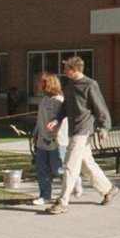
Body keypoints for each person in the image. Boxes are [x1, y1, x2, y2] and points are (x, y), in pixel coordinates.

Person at [44, 56, 117, 214]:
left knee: (70, 165)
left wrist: (104, 127)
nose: (64, 71)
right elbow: (65, 107)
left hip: (83, 131)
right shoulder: (70, 85)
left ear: (75, 69)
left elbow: (100, 107)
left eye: (66, 68)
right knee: (86, 164)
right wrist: (57, 119)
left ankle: (62, 201)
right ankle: (108, 189)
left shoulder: (90, 85)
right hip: (73, 130)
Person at [30, 73, 69, 206]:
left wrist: (52, 137)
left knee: (58, 169)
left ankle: (72, 184)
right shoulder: (43, 100)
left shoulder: (59, 101)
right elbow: (39, 120)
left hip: (56, 142)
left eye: (41, 82)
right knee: (41, 169)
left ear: (49, 83)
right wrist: (36, 134)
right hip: (42, 141)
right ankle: (45, 195)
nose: (38, 84)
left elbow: (60, 121)